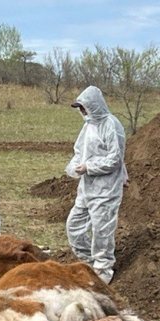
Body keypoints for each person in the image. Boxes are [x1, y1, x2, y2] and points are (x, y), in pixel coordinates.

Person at [65, 86, 126, 284]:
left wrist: (89, 167)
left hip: (106, 189)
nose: (82, 112)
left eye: (84, 108)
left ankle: (102, 269)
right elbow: (78, 151)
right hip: (86, 188)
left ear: (94, 106)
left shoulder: (111, 125)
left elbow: (115, 159)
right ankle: (87, 262)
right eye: (80, 109)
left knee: (102, 231)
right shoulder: (88, 126)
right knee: (74, 226)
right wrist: (75, 166)